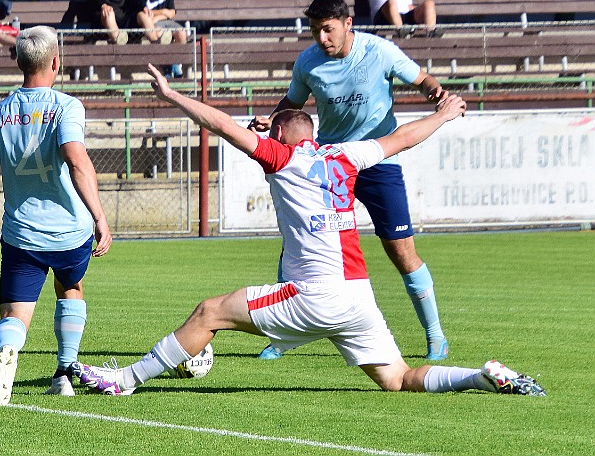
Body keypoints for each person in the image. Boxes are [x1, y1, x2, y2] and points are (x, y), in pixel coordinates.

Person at [71, 63, 546, 399]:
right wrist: (443, 115)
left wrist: (171, 95)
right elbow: (402, 137)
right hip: (358, 298)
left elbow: (220, 125)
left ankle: (126, 380)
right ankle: (478, 376)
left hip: (314, 294)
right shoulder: (347, 154)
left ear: (279, 137)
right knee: (398, 378)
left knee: (209, 312)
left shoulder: (283, 158)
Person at [248, 0, 449, 361]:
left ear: (348, 23)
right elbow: (292, 104)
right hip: (330, 164)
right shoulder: (308, 62)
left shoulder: (379, 52)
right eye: (315, 31)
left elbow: (421, 79)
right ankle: (280, 337)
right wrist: (271, 120)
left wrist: (436, 93)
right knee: (298, 244)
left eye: (327, 29)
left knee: (400, 250)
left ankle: (435, 335)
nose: (321, 38)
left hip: (378, 160)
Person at [0, 25, 112, 406]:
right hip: (70, 232)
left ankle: (8, 355)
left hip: (22, 235)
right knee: (70, 288)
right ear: (56, 61)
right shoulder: (67, 107)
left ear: (18, 62)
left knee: (14, 313)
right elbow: (76, 159)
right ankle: (64, 371)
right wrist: (100, 217)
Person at [135, 0, 187, 78]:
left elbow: (172, 13)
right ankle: (165, 64)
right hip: (154, 24)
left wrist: (160, 14)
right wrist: (163, 12)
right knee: (159, 34)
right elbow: (145, 12)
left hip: (167, 22)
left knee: (182, 34)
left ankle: (175, 62)